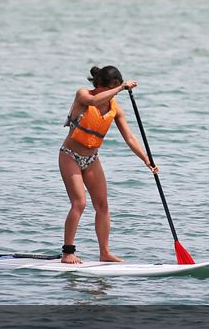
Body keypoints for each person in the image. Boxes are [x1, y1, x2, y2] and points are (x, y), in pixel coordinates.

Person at [58, 65, 157, 264]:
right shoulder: (83, 95)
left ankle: (104, 252)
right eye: (110, 89)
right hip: (70, 156)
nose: (112, 94)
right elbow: (94, 100)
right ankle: (68, 252)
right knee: (80, 203)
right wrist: (121, 88)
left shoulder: (114, 108)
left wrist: (146, 160)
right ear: (100, 85)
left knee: (102, 205)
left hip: (92, 159)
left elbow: (129, 137)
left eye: (116, 88)